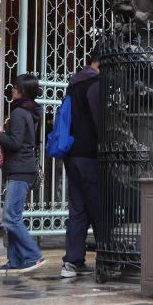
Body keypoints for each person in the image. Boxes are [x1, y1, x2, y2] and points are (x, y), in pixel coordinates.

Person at [0, 73, 45, 274]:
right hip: (24, 169)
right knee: (14, 217)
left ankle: (33, 255)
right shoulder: (29, 113)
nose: (12, 90)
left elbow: (14, 143)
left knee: (10, 218)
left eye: (15, 87)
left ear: (22, 91)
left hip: (20, 171)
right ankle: (15, 261)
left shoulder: (18, 113)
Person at [60, 50, 101, 278]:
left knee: (78, 208)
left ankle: (73, 261)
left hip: (72, 154)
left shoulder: (74, 84)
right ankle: (108, 256)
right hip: (88, 155)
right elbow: (98, 121)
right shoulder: (94, 84)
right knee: (97, 206)